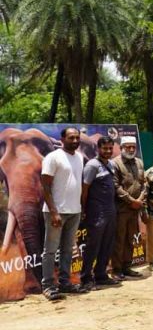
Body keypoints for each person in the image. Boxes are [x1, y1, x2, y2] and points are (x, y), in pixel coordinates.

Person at [40, 127, 87, 300]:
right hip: (56, 212)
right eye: (71, 138)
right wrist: (54, 212)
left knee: (67, 250)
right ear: (62, 139)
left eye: (77, 138)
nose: (75, 141)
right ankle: (48, 286)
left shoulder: (79, 157)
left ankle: (65, 283)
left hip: (75, 211)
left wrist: (81, 208)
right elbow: (45, 187)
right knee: (50, 251)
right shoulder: (53, 157)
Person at [80, 136, 120, 291]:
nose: (108, 151)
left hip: (110, 210)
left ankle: (101, 275)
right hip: (96, 211)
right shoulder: (92, 165)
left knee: (107, 244)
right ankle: (86, 279)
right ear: (98, 149)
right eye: (105, 148)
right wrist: (84, 209)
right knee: (93, 245)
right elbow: (84, 189)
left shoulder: (111, 164)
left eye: (110, 148)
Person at [111, 136, 145, 280]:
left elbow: (143, 184)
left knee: (131, 239)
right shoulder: (115, 163)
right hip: (121, 208)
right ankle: (117, 269)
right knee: (119, 240)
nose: (131, 149)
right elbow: (115, 186)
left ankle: (127, 267)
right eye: (128, 147)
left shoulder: (139, 162)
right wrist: (131, 200)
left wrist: (139, 200)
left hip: (135, 209)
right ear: (121, 148)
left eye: (133, 147)